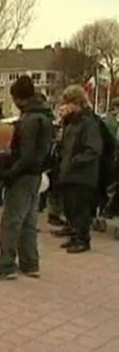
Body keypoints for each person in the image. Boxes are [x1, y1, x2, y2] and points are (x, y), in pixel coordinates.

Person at [0, 76, 53, 281]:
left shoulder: (29, 120)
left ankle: (5, 264)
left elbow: (26, 154)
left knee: (11, 220)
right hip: (35, 175)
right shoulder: (44, 116)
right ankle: (30, 263)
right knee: (29, 220)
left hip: (22, 175)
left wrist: (8, 174)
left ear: (18, 98)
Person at [57, 86, 103, 254]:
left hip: (82, 174)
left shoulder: (88, 122)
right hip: (69, 173)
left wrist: (76, 161)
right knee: (71, 207)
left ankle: (83, 239)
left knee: (80, 208)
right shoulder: (71, 123)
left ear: (77, 103)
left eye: (67, 102)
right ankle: (75, 235)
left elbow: (94, 149)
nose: (64, 106)